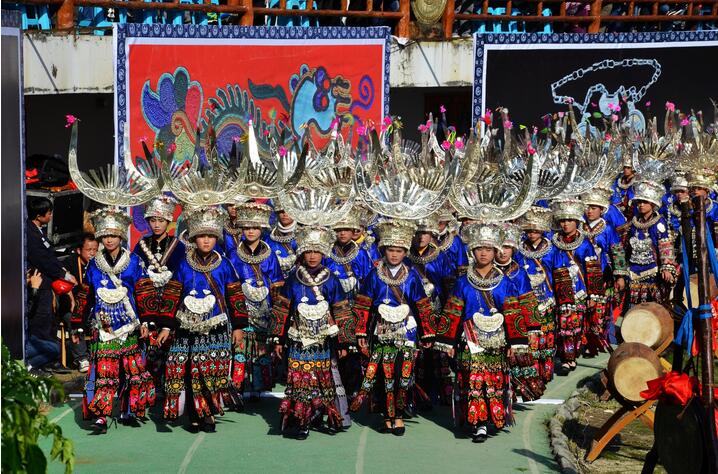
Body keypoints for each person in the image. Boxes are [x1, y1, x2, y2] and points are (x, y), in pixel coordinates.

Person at [433, 222, 522, 443]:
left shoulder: (505, 282)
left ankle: (491, 416)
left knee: (493, 380)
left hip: (497, 341)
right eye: (479, 248)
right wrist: (448, 342)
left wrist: (515, 342)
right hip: (470, 339)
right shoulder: (462, 282)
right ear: (472, 251)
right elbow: (453, 311)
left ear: (495, 251)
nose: (484, 253)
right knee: (473, 380)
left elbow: (512, 312)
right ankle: (478, 422)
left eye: (488, 249)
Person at [162, 206, 247, 432]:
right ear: (194, 238)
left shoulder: (225, 264)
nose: (206, 241)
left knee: (211, 372)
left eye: (210, 236)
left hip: (215, 326)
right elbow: (172, 295)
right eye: (201, 236)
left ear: (216, 238)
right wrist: (166, 326)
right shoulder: (183, 264)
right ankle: (194, 415)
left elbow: (235, 296)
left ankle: (209, 413)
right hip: (187, 327)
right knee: (190, 371)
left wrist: (238, 326)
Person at [72, 208, 155, 433]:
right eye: (105, 236)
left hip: (129, 326)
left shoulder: (134, 262)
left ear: (121, 237)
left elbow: (144, 293)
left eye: (113, 235)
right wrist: (77, 324)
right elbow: (86, 295)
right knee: (103, 372)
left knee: (130, 371)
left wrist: (147, 322)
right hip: (104, 326)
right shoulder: (94, 264)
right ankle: (101, 415)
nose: (109, 240)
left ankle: (128, 409)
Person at [350, 219, 435, 436]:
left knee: (402, 375)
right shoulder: (374, 275)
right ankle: (387, 417)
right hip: (381, 332)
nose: (395, 255)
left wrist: (427, 332)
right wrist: (360, 331)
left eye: (399, 251)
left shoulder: (411, 275)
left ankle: (399, 415)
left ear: (405, 252)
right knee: (382, 375)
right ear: (383, 250)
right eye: (390, 250)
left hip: (406, 332)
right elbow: (363, 304)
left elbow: (422, 304)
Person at [269, 225, 353, 439]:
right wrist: (278, 338)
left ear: (323, 253)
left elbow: (342, 310)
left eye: (317, 251)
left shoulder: (332, 279)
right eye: (308, 251)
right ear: (302, 253)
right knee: (300, 380)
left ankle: (319, 413)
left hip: (323, 342)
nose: (313, 256)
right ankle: (301, 420)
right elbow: (282, 308)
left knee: (322, 380)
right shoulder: (294, 278)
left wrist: (344, 341)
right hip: (298, 340)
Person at [228, 201, 285, 401]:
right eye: (247, 227)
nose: (250, 231)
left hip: (265, 310)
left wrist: (276, 315)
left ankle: (259, 388)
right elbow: (230, 285)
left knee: (262, 350)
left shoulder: (270, 255)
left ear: (261, 229)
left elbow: (277, 284)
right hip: (241, 309)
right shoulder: (233, 255)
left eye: (255, 227)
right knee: (240, 349)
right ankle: (238, 386)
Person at [132, 195, 185, 388]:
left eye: (161, 220)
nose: (156, 225)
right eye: (153, 220)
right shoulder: (141, 245)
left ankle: (169, 386)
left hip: (171, 302)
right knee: (148, 347)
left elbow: (181, 276)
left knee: (170, 347)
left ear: (168, 221)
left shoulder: (178, 246)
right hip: (147, 303)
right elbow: (136, 274)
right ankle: (149, 387)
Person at [549, 199, 605, 375]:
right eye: (563, 220)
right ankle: (567, 357)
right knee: (563, 326)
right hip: (559, 292)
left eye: (569, 220)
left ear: (577, 221)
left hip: (579, 291)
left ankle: (571, 355)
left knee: (575, 326)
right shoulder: (553, 243)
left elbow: (593, 269)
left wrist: (593, 295)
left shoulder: (585, 243)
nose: (565, 224)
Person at [325, 208, 374, 403]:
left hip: (354, 308)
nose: (342, 233)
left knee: (353, 349)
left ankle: (353, 386)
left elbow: (368, 282)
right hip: (331, 308)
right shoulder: (327, 252)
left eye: (346, 229)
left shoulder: (361, 254)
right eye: (339, 230)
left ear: (353, 230)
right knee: (333, 347)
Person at [25, 197, 77, 372]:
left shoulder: (38, 231)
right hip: (38, 285)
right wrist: (64, 274)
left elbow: (50, 256)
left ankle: (49, 360)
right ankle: (38, 362)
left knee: (49, 321)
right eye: (49, 213)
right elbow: (43, 260)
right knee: (41, 322)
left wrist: (62, 270)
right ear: (39, 216)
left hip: (47, 286)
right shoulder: (30, 234)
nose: (51, 216)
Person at [408, 215, 455, 406]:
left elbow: (449, 285)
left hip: (436, 311)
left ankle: (442, 394)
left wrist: (448, 311)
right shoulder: (404, 256)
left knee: (437, 353)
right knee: (415, 354)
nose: (421, 237)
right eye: (418, 233)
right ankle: (417, 396)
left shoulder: (440, 256)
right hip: (411, 313)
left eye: (425, 233)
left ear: (432, 234)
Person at [495, 223, 545, 401]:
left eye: (507, 247)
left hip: (515, 322)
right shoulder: (486, 272)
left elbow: (528, 300)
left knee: (516, 358)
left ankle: (512, 393)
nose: (503, 252)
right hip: (492, 322)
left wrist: (532, 328)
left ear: (513, 249)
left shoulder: (519, 273)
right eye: (499, 248)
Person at [580, 187, 628, 347]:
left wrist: (620, 276)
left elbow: (617, 251)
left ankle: (604, 340)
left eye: (593, 208)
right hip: (582, 274)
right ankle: (586, 341)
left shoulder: (607, 228)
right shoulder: (580, 227)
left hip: (602, 273)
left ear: (602, 210)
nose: (589, 211)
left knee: (602, 308)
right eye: (587, 207)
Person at [515, 206, 557, 382]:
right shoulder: (519, 251)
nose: (531, 234)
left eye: (535, 230)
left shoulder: (552, 249)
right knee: (528, 339)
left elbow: (559, 273)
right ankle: (530, 375)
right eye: (528, 230)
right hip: (526, 300)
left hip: (546, 300)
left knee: (546, 339)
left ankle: (545, 373)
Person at [624, 180, 676, 308]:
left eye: (645, 202)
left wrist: (666, 268)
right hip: (634, 270)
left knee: (654, 307)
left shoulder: (659, 222)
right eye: (639, 202)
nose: (641, 205)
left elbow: (665, 246)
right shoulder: (634, 223)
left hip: (653, 271)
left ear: (652, 204)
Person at [60, 233, 99, 372]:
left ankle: (100, 354)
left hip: (93, 305)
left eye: (95, 250)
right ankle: (82, 358)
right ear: (78, 250)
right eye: (89, 250)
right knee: (73, 318)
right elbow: (63, 284)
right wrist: (72, 301)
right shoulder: (69, 263)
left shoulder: (99, 264)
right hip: (72, 306)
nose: (92, 253)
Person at [25, 269, 61, 375]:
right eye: (27, 277)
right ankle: (24, 367)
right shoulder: (15, 291)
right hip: (16, 344)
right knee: (53, 348)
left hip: (28, 338)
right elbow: (27, 311)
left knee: (54, 348)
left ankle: (28, 366)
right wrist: (34, 288)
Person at [266, 204, 298, 279]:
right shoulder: (268, 237)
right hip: (275, 278)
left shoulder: (302, 235)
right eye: (281, 211)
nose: (285, 214)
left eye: (288, 211)